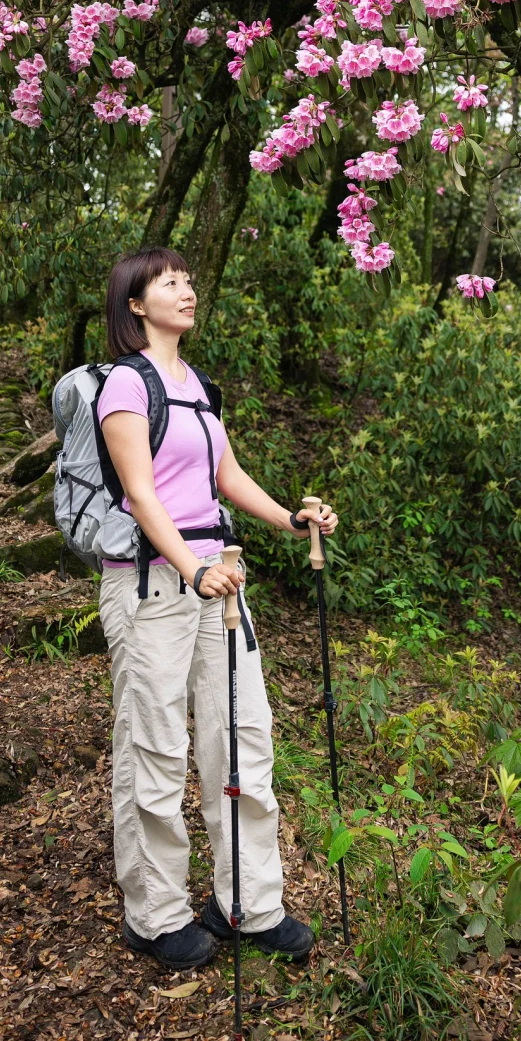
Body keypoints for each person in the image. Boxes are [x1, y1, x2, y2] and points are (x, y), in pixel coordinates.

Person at [96, 246, 339, 970]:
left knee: (243, 738)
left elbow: (225, 474)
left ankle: (248, 903)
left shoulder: (198, 384)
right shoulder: (123, 387)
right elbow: (141, 494)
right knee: (157, 746)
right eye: (169, 281)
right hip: (155, 584)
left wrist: (289, 522)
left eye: (188, 279)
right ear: (135, 304)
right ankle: (156, 913)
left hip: (218, 578)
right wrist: (191, 565)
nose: (186, 288)